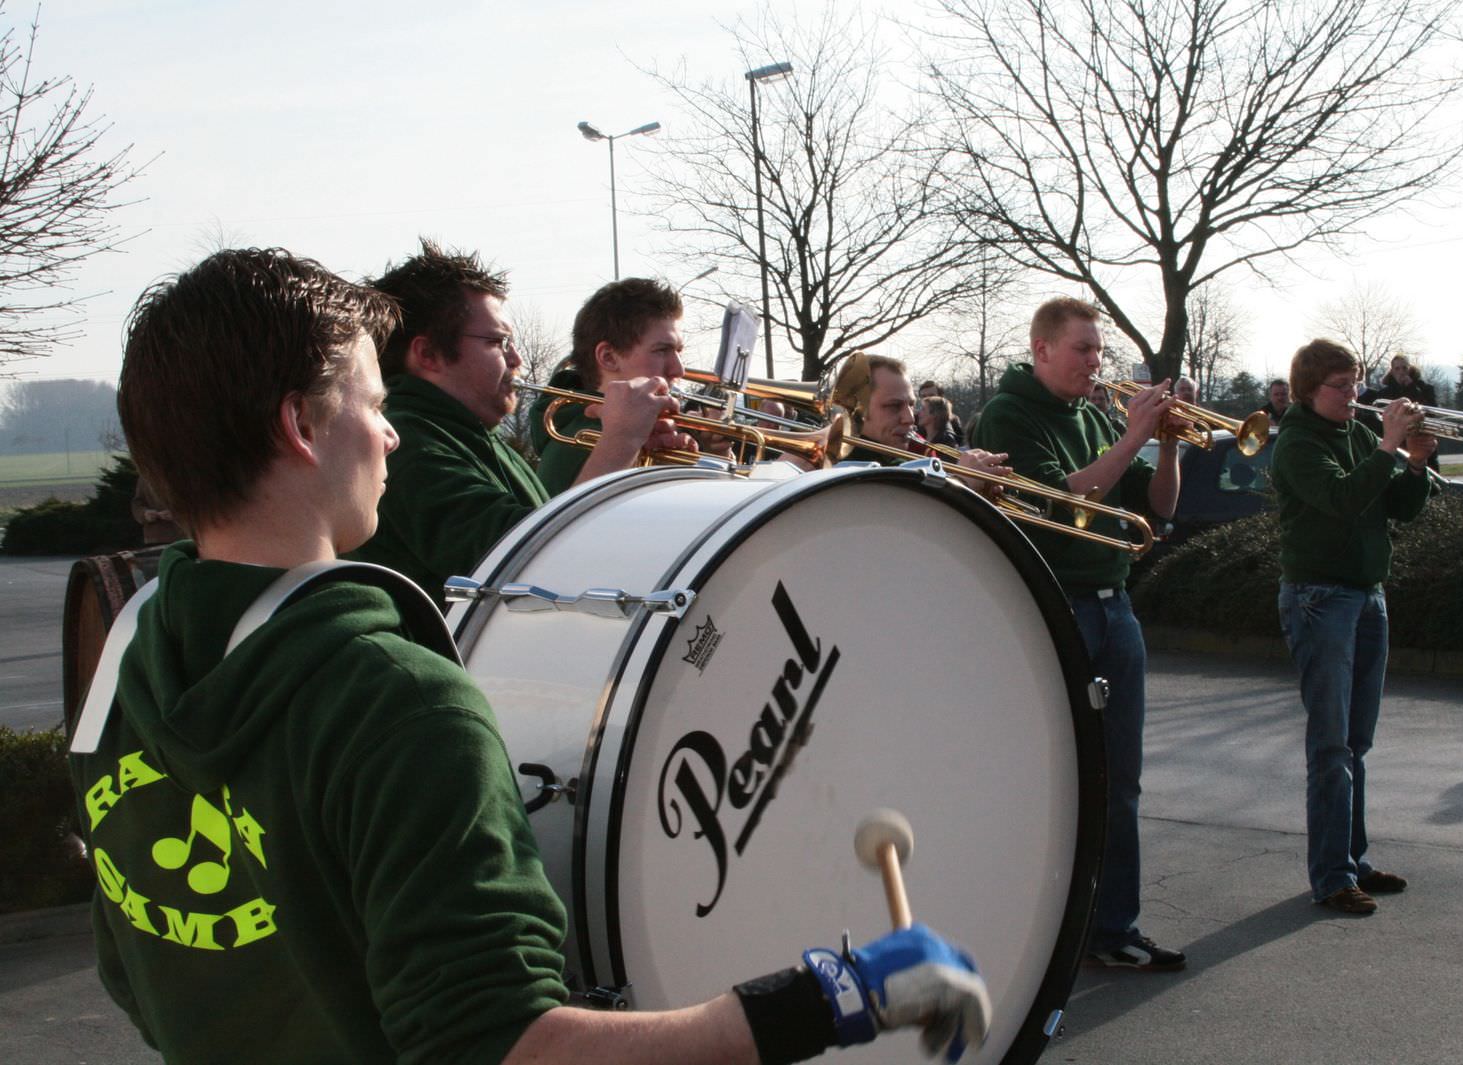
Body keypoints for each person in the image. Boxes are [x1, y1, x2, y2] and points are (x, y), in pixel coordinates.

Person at [76, 246, 991, 1065]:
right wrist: (834, 998)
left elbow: (136, 980)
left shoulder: (123, 663)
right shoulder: (400, 702)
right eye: (376, 406)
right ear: (301, 426)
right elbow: (509, 1048)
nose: (391, 435)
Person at [972, 297, 1188, 972]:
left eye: (1098, 349)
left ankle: (1114, 927)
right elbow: (1056, 505)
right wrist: (1132, 437)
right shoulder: (1009, 414)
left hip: (1115, 605)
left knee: (1121, 778)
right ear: (1041, 350)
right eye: (1082, 349)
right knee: (1054, 778)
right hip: (1057, 604)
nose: (1096, 361)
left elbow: (1160, 505)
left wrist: (1167, 441)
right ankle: (1038, 937)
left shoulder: (1095, 414)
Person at [347, 242, 682, 603]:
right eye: (498, 342)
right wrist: (620, 441)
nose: (516, 359)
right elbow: (532, 566)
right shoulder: (407, 444)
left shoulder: (468, 434)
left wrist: (637, 460)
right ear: (428, 354)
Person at [1271, 338, 1438, 915]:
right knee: (1331, 745)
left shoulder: (1358, 434)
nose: (1353, 395)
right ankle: (1331, 876)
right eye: (1340, 387)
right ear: (1308, 390)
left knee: (1356, 742)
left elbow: (1399, 508)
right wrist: (1389, 446)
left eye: (1356, 384)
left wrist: (1415, 463)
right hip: (1319, 598)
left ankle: (1352, 860)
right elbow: (1342, 499)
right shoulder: (1296, 443)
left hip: (1367, 595)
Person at [530, 277, 695, 494]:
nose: (679, 370)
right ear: (608, 357)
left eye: (678, 351)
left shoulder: (616, 433)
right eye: (661, 350)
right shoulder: (589, 440)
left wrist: (711, 456)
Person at [834, 354, 1010, 489]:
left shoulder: (899, 461)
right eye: (894, 406)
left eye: (911, 405)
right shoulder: (841, 472)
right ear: (856, 410)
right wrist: (962, 483)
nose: (910, 418)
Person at [918, 379, 965, 445]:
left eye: (931, 395)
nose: (927, 398)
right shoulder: (914, 419)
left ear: (941, 397)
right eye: (923, 396)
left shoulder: (952, 421)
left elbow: (959, 445)